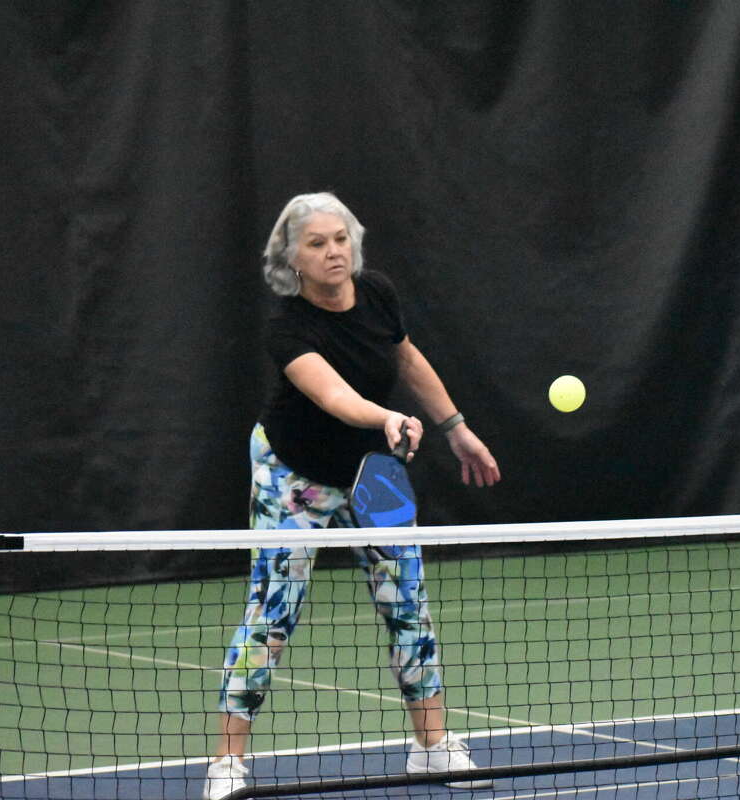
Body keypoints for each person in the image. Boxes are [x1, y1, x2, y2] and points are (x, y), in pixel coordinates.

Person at [202, 192, 502, 799]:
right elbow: (334, 395)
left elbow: (406, 357)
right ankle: (227, 765)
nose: (334, 252)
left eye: (340, 239)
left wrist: (456, 429)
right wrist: (387, 419)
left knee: (408, 608)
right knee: (273, 616)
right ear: (292, 260)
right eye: (316, 244)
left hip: (374, 474)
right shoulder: (288, 329)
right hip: (293, 478)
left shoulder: (378, 292)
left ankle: (433, 749)